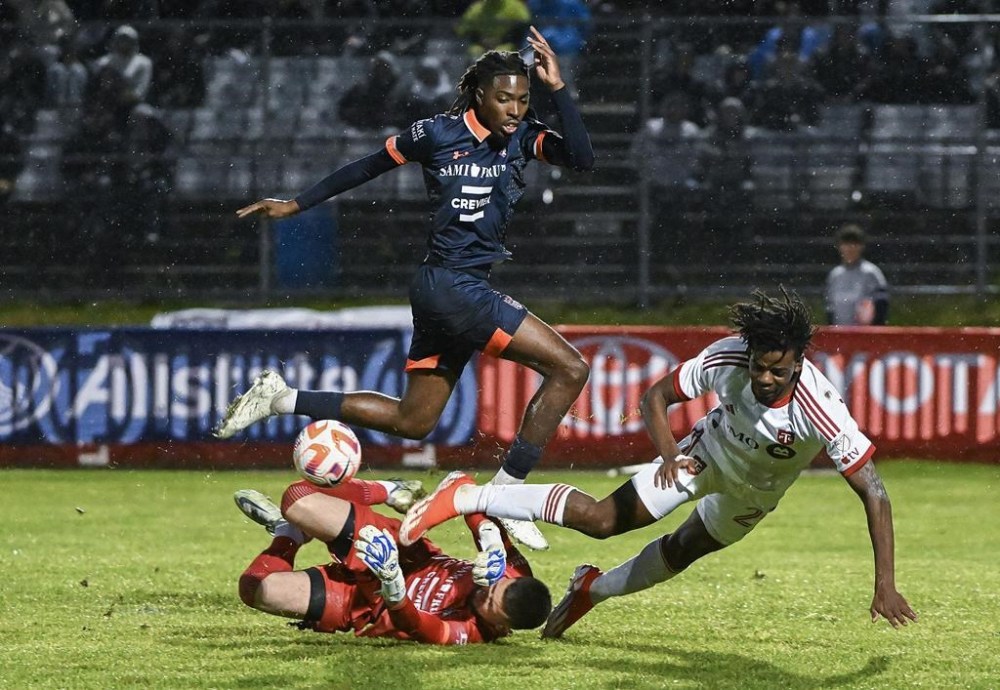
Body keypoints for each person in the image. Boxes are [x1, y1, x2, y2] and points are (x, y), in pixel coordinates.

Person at [215, 27, 595, 551]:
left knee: (413, 420)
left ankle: (282, 398)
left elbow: (582, 157)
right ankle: (507, 493)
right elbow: (367, 165)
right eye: (504, 98)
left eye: (522, 99)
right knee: (571, 368)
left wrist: (558, 90)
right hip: (452, 286)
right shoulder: (435, 134)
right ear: (479, 95)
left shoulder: (524, 137)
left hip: (450, 288)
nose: (513, 108)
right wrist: (298, 204)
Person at [400, 288, 918, 638]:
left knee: (683, 550)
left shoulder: (822, 411)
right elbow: (655, 396)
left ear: (799, 361)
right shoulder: (728, 357)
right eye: (759, 366)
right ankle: (469, 495)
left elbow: (875, 492)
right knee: (604, 521)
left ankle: (590, 589)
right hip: (702, 457)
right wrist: (671, 454)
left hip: (753, 495)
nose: (763, 378)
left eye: (776, 371)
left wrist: (884, 584)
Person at [234, 476, 552, 644]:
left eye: (489, 603)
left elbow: (416, 626)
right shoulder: (515, 570)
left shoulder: (470, 633)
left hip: (366, 604)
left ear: (503, 625)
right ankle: (389, 489)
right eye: (494, 586)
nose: (484, 589)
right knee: (296, 498)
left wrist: (393, 585)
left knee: (256, 589)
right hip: (405, 553)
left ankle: (287, 534)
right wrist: (490, 537)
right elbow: (464, 486)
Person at [825, 224, 889, 326]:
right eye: (846, 244)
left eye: (854, 244)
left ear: (861, 247)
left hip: (864, 336)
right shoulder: (835, 275)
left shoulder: (871, 273)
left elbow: (881, 306)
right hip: (839, 335)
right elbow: (830, 309)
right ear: (839, 247)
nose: (850, 248)